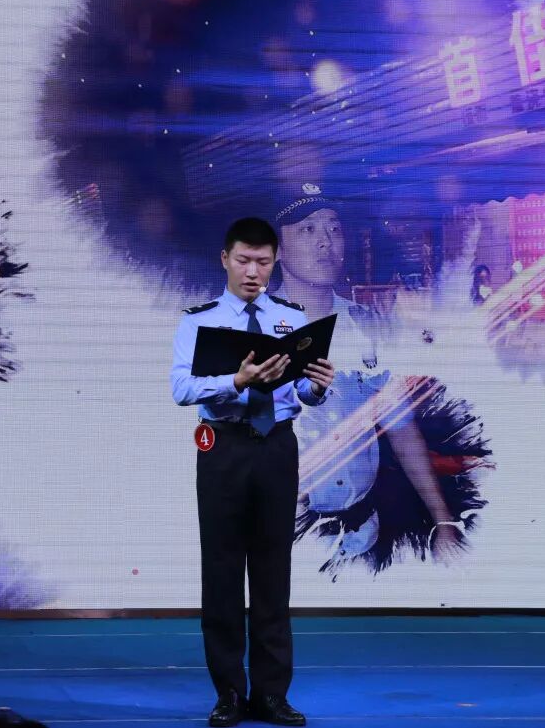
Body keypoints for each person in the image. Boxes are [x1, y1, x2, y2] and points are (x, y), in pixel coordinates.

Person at [171, 217, 335, 727]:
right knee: (222, 570)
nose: (252, 272)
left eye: (263, 262)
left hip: (277, 447)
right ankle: (228, 693)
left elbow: (303, 393)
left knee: (272, 569)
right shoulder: (198, 321)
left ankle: (271, 694)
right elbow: (181, 389)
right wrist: (235, 381)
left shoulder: (291, 317)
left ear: (275, 261)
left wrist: (318, 385)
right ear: (225, 259)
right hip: (223, 446)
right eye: (243, 260)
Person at [271, 185, 465, 572]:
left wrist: (443, 521)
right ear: (275, 249)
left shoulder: (366, 325)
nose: (326, 241)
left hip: (363, 533)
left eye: (334, 228)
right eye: (307, 229)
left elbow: (401, 429)